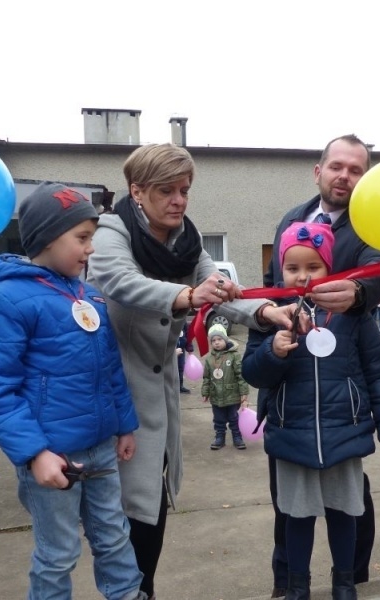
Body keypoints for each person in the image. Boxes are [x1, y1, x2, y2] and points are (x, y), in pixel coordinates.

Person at [86, 143, 294, 599]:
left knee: (152, 507)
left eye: (185, 190)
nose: (179, 200)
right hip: (115, 396)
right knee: (118, 517)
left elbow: (219, 287)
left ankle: (145, 591)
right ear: (136, 191)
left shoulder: (186, 239)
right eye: (167, 190)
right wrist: (187, 296)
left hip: (158, 397)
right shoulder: (109, 232)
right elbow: (122, 281)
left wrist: (267, 312)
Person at [0, 182, 146, 600]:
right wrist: (33, 453)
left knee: (115, 540)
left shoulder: (91, 296)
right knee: (58, 554)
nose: (91, 249)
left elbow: (109, 370)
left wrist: (124, 426)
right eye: (82, 238)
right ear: (47, 237)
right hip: (53, 458)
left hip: (101, 448)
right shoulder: (5, 301)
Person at [261, 134, 380, 597]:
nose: (345, 176)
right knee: (290, 503)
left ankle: (348, 580)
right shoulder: (293, 218)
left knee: (350, 502)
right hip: (289, 401)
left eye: (356, 169)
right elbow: (270, 292)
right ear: (318, 170)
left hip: (342, 387)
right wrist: (269, 329)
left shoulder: (370, 222)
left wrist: (358, 293)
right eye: (337, 166)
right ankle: (289, 583)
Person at [244, 222, 380, 600]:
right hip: (292, 434)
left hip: (345, 433)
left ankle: (344, 582)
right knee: (297, 517)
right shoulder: (268, 315)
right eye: (293, 267)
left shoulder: (354, 316)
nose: (302, 276)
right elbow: (252, 373)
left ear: (329, 268)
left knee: (344, 513)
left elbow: (378, 372)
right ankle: (297, 586)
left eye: (313, 267)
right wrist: (274, 351)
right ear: (280, 269)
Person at [201, 323, 249, 450]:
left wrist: (244, 393)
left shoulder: (234, 356)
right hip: (216, 395)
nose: (216, 342)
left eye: (219, 339)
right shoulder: (209, 359)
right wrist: (205, 392)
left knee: (233, 418)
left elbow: (240, 375)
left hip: (232, 395)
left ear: (225, 339)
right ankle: (219, 437)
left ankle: (237, 437)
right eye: (213, 340)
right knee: (218, 419)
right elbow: (206, 377)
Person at [176, 322, 194, 394]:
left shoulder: (184, 324)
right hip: (172, 351)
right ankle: (173, 387)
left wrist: (189, 349)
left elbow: (188, 336)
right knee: (172, 368)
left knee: (181, 368)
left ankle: (180, 386)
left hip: (181, 350)